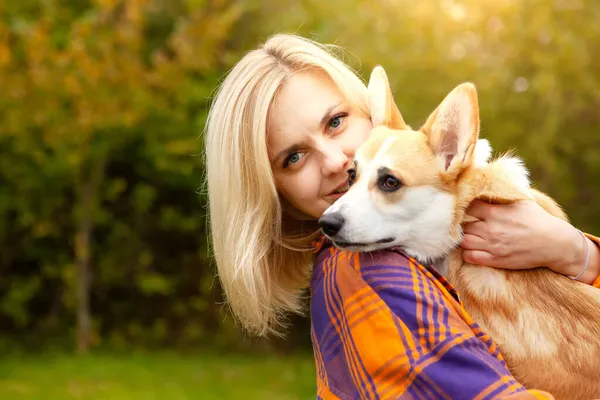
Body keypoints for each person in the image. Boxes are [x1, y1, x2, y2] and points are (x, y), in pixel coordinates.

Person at [204, 33, 600, 399]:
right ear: (274, 192)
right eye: (293, 157)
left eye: (336, 122)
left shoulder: (497, 222)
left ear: (370, 115)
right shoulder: (367, 273)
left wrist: (577, 253)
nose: (335, 162)